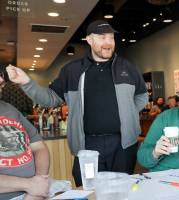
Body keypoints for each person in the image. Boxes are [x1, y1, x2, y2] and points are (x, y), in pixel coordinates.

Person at [6, 19, 148, 186]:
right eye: (102, 37)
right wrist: (26, 82)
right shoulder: (72, 70)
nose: (108, 43)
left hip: (124, 144)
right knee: (88, 189)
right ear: (89, 40)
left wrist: (128, 113)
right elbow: (50, 98)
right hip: (87, 146)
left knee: (122, 190)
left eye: (111, 38)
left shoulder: (127, 67)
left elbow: (142, 95)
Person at [0, 67, 50, 200]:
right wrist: (29, 185)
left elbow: (39, 147)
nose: (1, 80)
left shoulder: (9, 109)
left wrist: (38, 185)